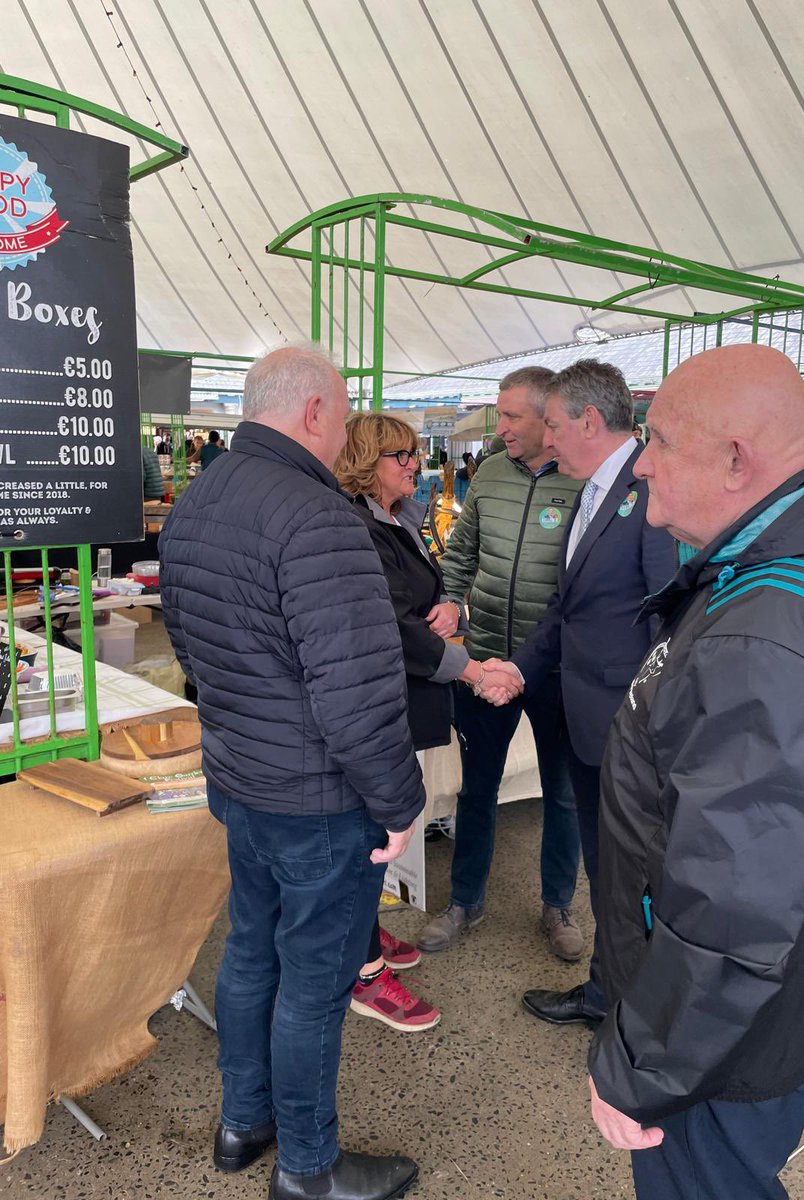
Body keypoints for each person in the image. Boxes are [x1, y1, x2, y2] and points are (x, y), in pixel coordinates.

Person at [585, 344, 804, 1200]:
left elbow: (733, 909)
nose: (641, 462)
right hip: (780, 1004)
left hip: (721, 1044)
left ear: (736, 460)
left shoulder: (767, 637)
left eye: (659, 440)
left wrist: (642, 1064)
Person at [159, 347, 423, 1200]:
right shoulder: (318, 518)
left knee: (249, 956)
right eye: (344, 416)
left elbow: (191, 648)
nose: (343, 432)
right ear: (312, 412)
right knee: (314, 981)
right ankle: (309, 1168)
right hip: (314, 799)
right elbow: (355, 693)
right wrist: (398, 802)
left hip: (242, 782)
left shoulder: (199, 498)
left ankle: (245, 1123)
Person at [482, 361, 676, 1029]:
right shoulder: (597, 490)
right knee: (609, 873)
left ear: (590, 422)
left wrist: (647, 729)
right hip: (591, 721)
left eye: (556, 425)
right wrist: (518, 668)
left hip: (628, 731)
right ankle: (608, 993)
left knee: (631, 879)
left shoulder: (649, 492)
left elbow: (668, 623)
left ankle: (635, 1016)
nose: (548, 438)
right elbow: (568, 611)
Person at [335, 414, 515, 1033]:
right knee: (371, 834)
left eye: (415, 453)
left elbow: (418, 603)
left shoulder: (394, 518)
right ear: (364, 459)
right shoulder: (358, 525)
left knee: (378, 834)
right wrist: (470, 670)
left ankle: (361, 934)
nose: (414, 464)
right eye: (399, 455)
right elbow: (392, 627)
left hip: (404, 698)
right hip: (382, 702)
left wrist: (448, 605)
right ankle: (360, 971)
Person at [416, 366, 585, 962]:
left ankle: (558, 904)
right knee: (477, 787)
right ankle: (466, 900)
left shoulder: (582, 480)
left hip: (556, 668)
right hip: (485, 656)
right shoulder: (488, 472)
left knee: (563, 792)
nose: (501, 426)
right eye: (500, 413)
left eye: (512, 415)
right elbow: (460, 553)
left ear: (549, 418)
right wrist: (449, 600)